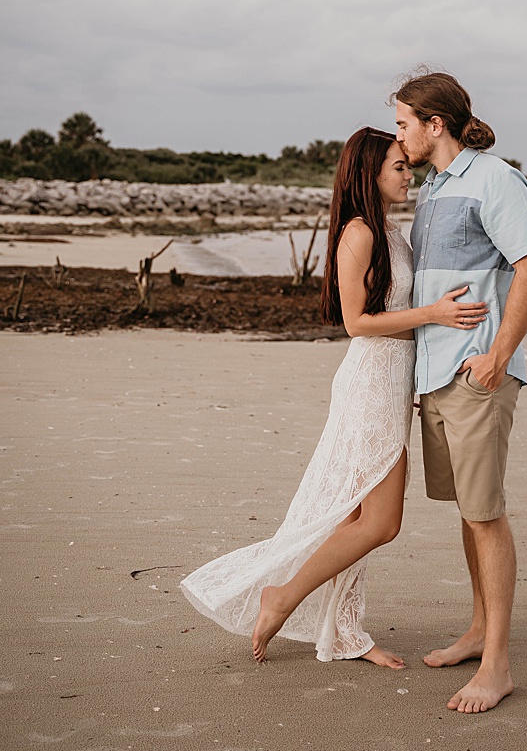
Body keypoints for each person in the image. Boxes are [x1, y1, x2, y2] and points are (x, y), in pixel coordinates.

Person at [180, 128, 488, 666]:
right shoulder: (359, 233)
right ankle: (281, 596)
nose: (408, 174)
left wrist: (426, 372)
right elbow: (357, 323)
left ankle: (343, 630)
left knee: (355, 518)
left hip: (394, 382)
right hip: (370, 382)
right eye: (397, 167)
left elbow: (396, 317)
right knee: (381, 522)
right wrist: (435, 314)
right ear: (369, 173)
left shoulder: (390, 232)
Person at [391, 71, 527, 715]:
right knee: (468, 509)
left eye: (404, 123)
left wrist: (497, 358)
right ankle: (480, 629)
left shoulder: (494, 179)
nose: (399, 136)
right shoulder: (432, 186)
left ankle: (497, 665)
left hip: (475, 373)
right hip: (437, 373)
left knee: (485, 514)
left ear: (436, 124)